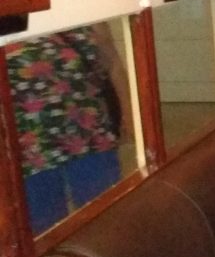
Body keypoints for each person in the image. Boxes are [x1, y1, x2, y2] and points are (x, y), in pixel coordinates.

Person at [6, 23, 131, 235]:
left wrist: (130, 113)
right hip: (29, 151)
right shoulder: (9, 12)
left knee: (108, 222)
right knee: (45, 236)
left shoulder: (80, 5)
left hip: (91, 138)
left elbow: (113, 66)